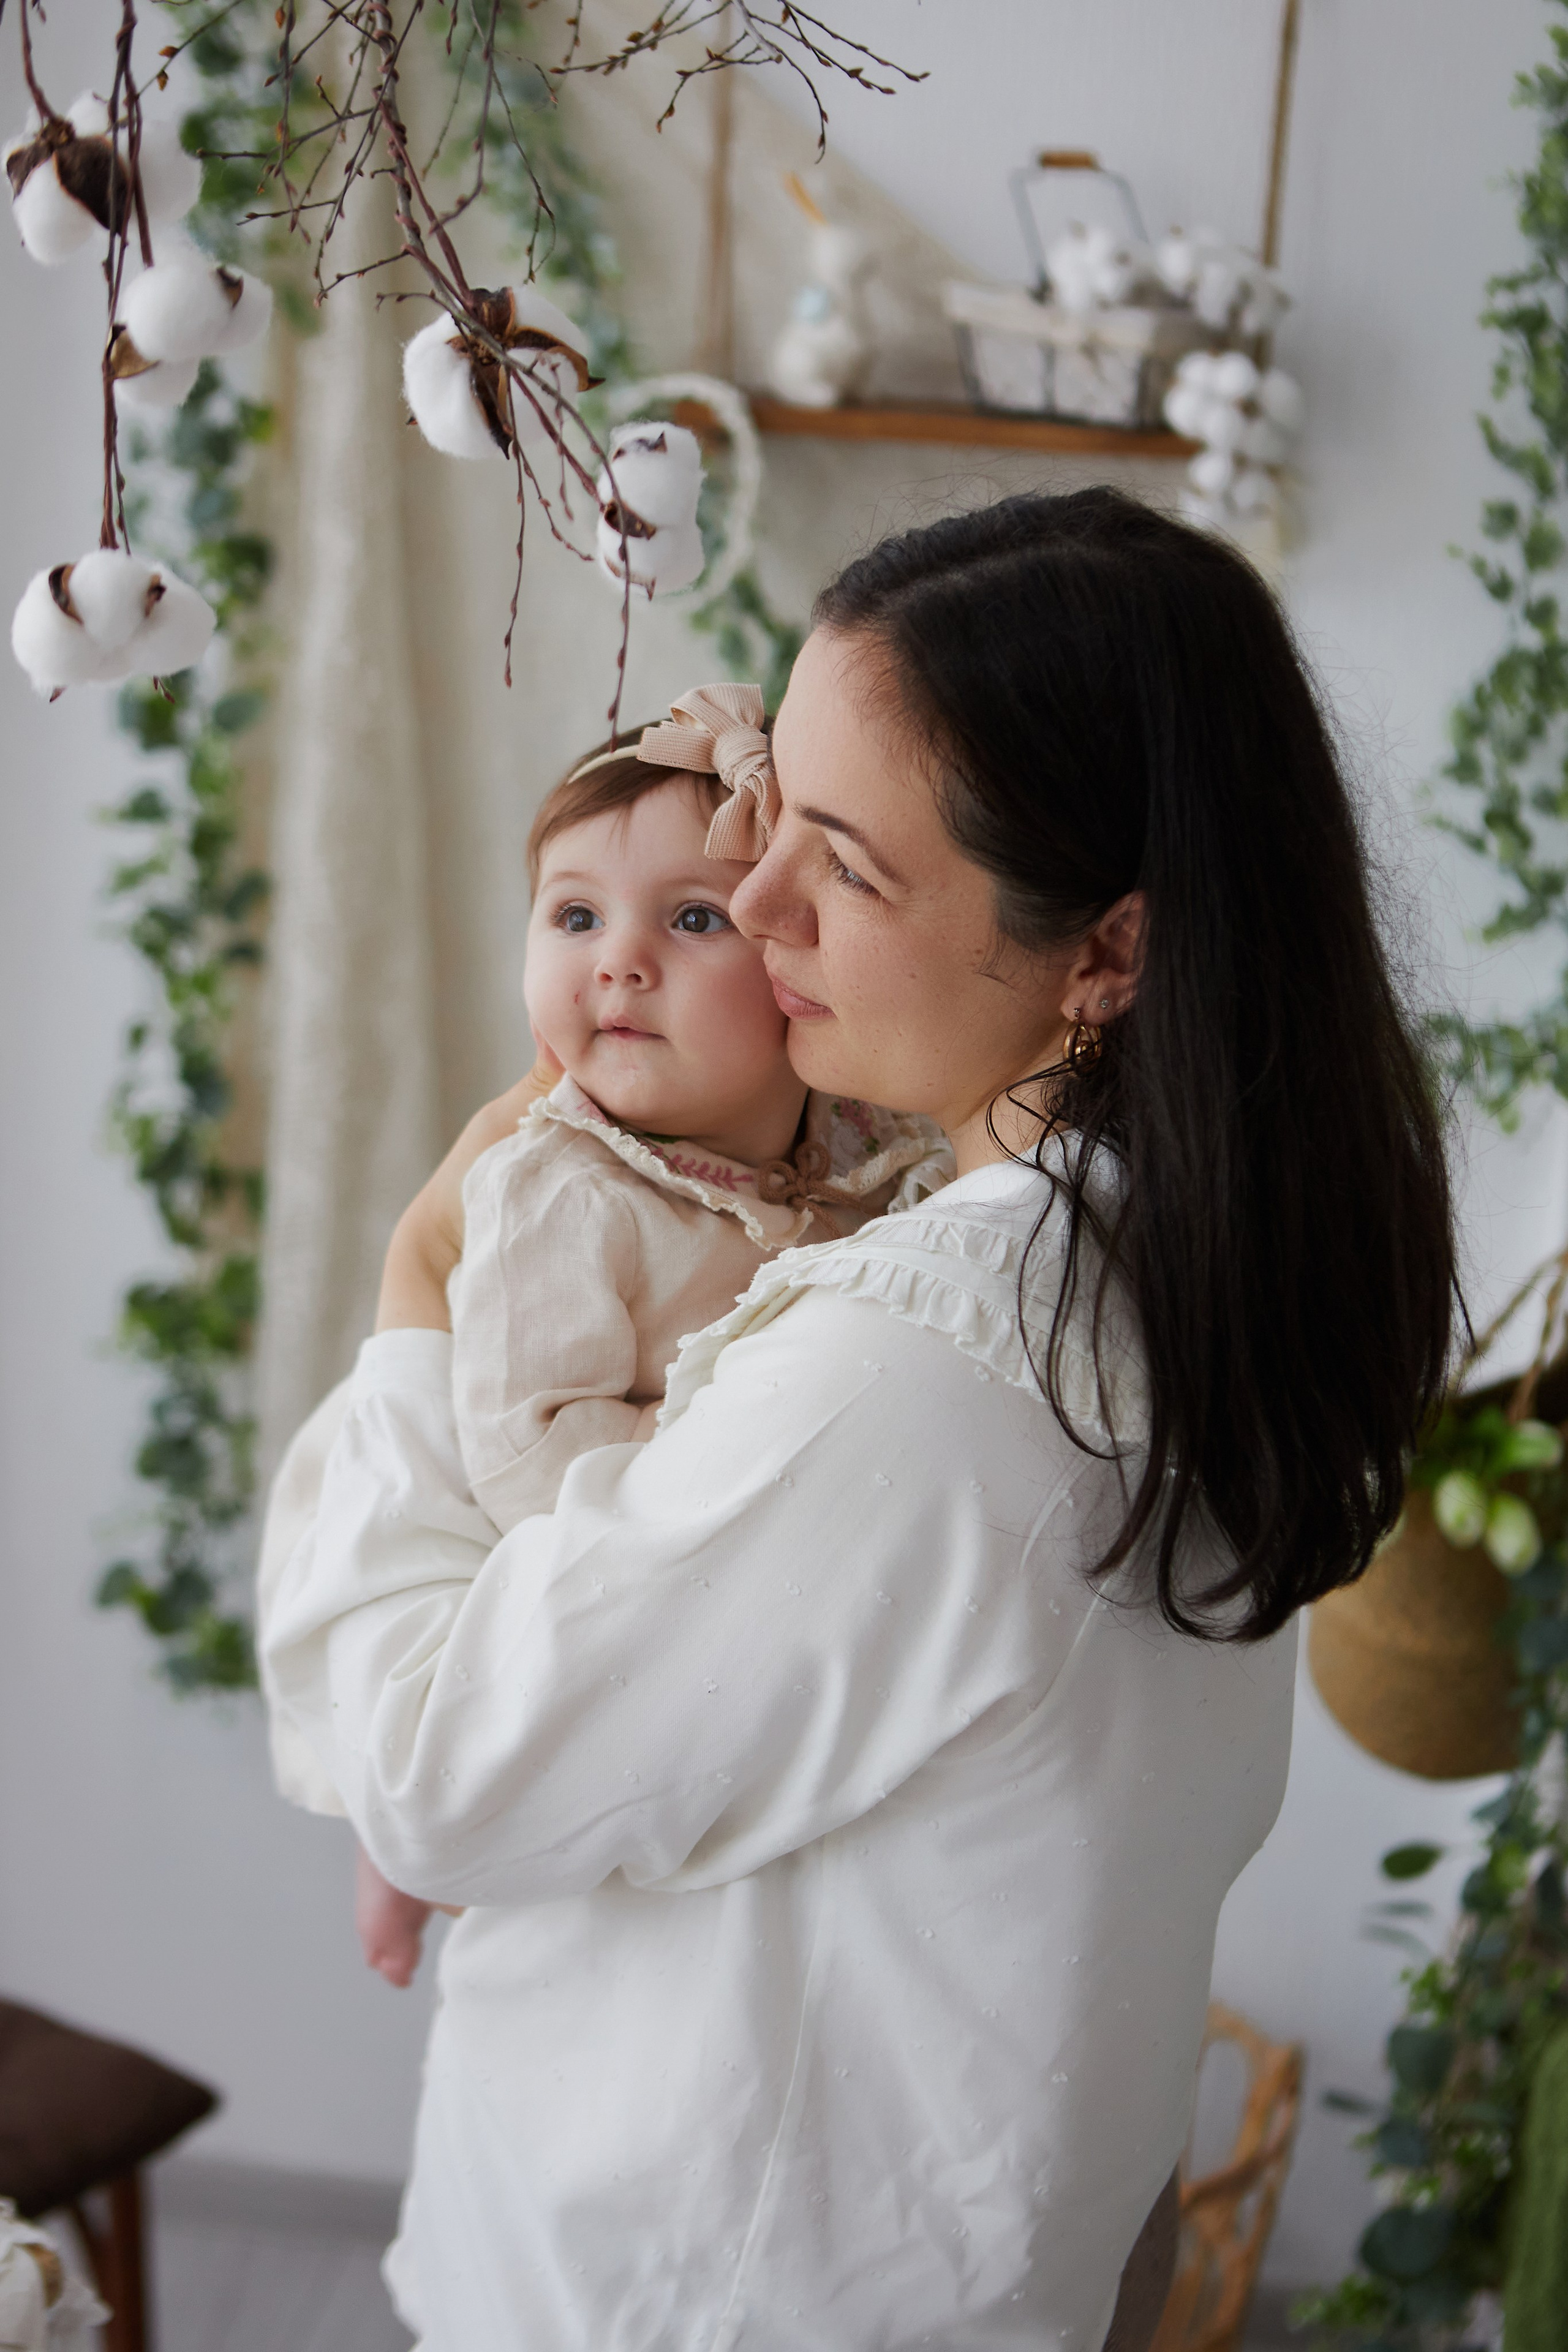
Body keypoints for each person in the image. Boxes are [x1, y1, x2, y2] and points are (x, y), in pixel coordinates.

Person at [262, 488, 1459, 2351]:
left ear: (1110, 955)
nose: (751, 907)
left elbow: (432, 1768)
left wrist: (426, 1280)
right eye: (769, 819)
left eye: (844, 859)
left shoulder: (925, 1367)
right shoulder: (1184, 1244)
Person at [335, 695, 949, 1986]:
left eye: (690, 918)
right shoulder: (559, 1184)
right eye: (573, 917)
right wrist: (719, 1442)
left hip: (679, 1591)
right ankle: (391, 1859)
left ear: (795, 961)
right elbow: (524, 1450)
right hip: (522, 1527)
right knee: (445, 1722)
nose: (616, 961)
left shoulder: (850, 1146)